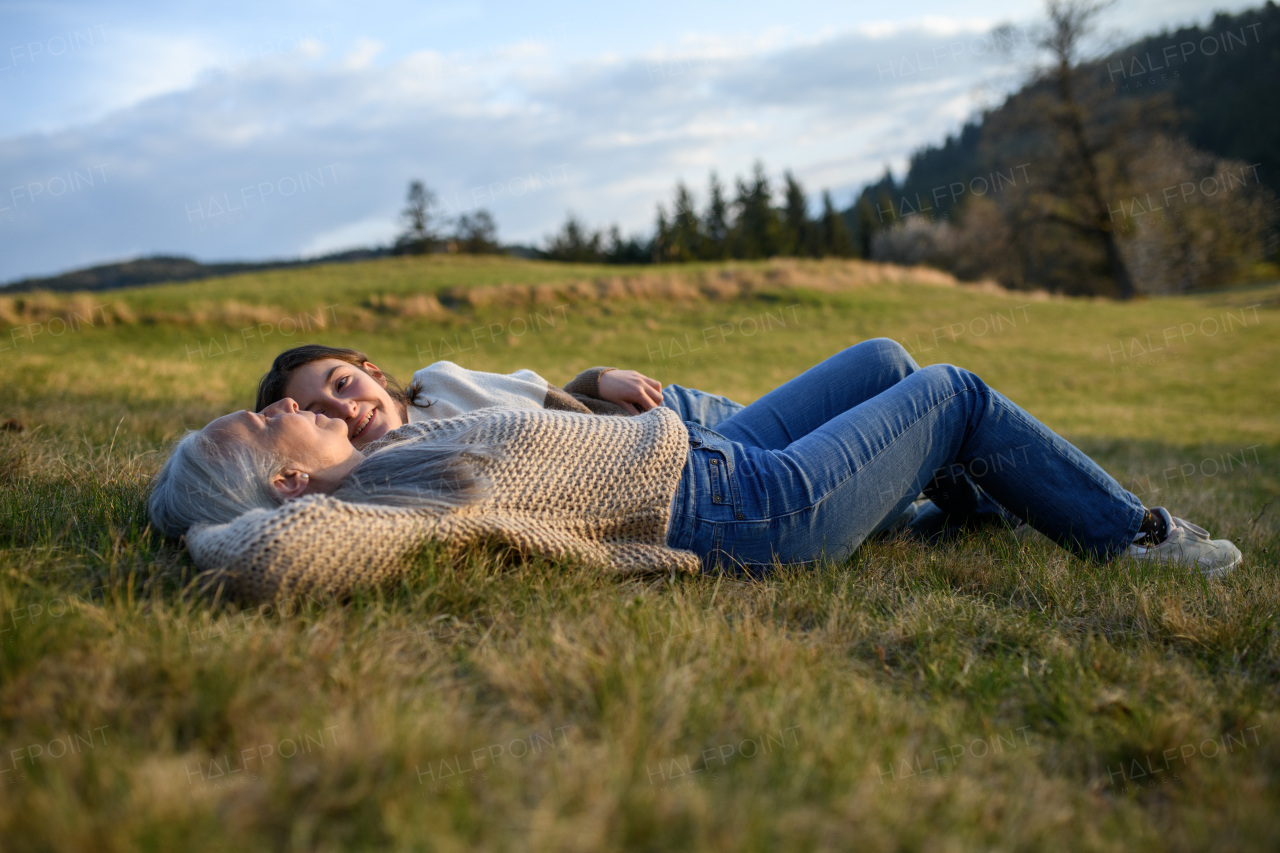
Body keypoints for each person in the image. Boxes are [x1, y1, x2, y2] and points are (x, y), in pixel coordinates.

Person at [150, 341, 1242, 579]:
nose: (325, 411)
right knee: (949, 392)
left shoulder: (401, 436)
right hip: (741, 509)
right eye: (266, 424)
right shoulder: (349, 500)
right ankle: (1131, 538)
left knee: (882, 363)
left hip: (706, 453)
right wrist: (228, 517)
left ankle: (963, 505)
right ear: (285, 476)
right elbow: (263, 555)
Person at [252, 343, 746, 448]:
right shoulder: (386, 467)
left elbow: (545, 401)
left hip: (656, 408)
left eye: (342, 384)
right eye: (320, 413)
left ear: (373, 372)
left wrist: (599, 377)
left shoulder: (441, 381)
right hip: (675, 460)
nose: (345, 407)